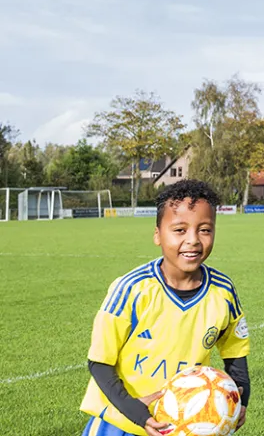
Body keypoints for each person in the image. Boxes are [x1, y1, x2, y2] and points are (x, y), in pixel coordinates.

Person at [80, 179, 251, 436]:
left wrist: (240, 399)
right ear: (158, 234)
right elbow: (99, 362)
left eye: (204, 229)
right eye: (179, 230)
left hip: (186, 425)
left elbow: (235, 351)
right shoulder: (131, 290)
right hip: (121, 422)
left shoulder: (223, 291)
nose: (193, 240)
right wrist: (135, 412)